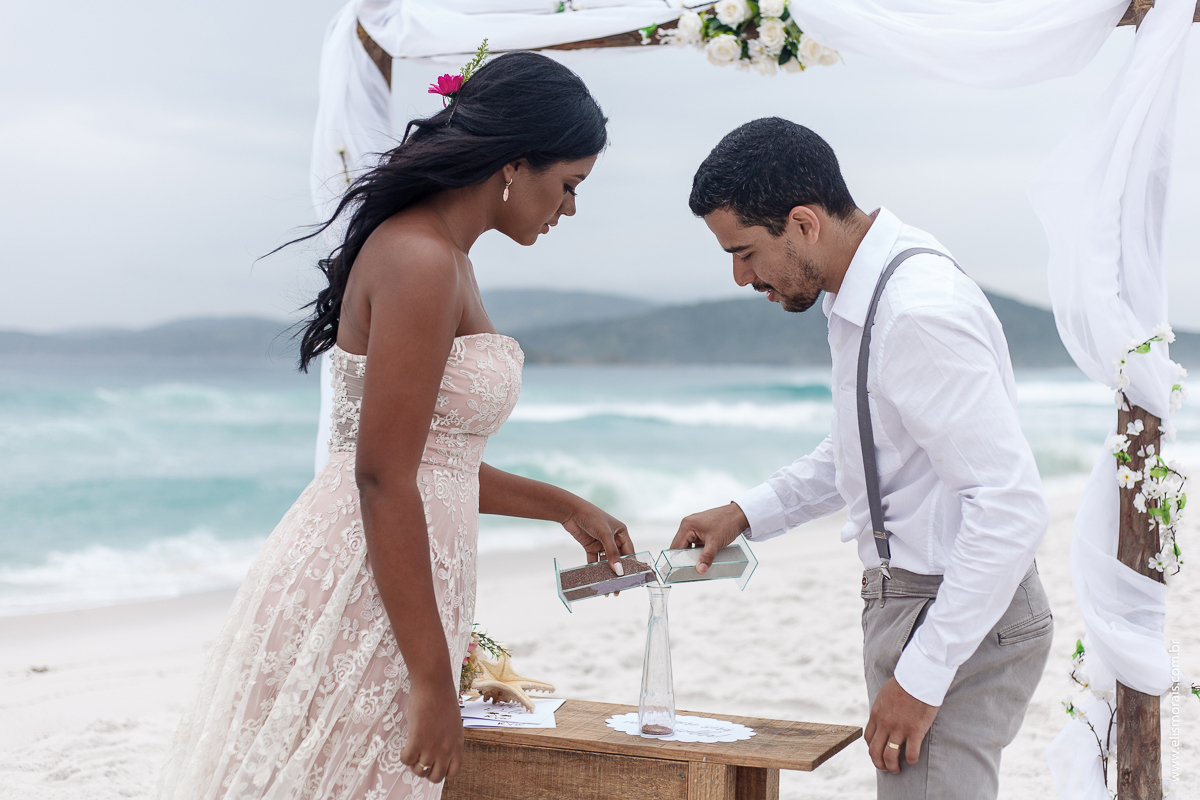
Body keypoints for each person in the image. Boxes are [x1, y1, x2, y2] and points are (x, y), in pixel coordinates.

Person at [156, 52, 635, 800]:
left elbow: (431, 461)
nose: (568, 208)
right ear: (515, 164)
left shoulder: (446, 258)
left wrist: (563, 505)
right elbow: (381, 475)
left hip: (396, 579)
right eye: (568, 185)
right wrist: (432, 681)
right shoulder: (421, 262)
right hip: (360, 585)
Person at [672, 117, 1053, 800]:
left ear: (804, 224)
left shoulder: (914, 311)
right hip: (931, 601)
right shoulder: (865, 287)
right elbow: (870, 445)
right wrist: (747, 512)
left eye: (745, 251)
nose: (738, 276)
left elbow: (1011, 505)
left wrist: (923, 674)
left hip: (952, 607)